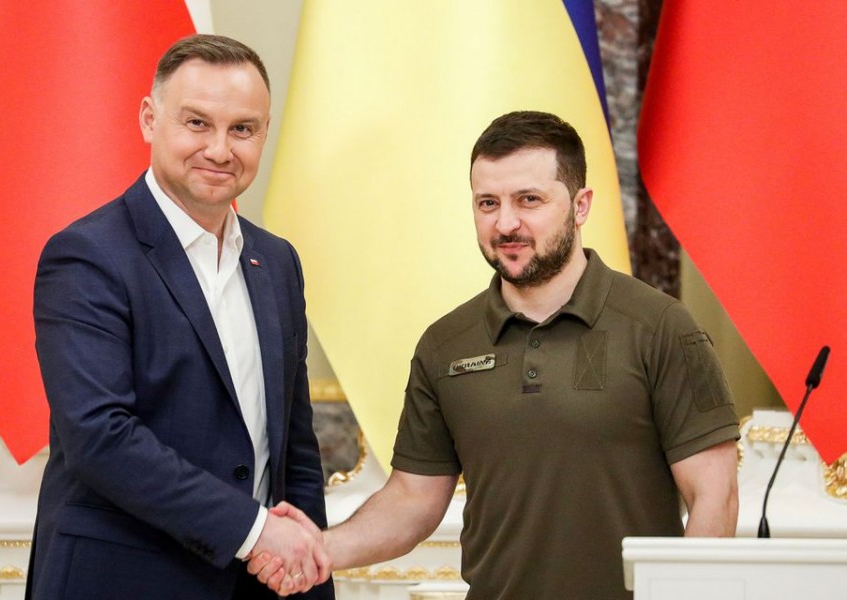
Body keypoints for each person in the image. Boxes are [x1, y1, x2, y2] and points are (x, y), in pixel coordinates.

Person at [250, 111, 741, 599]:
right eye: (488, 203)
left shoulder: (661, 327)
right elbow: (412, 501)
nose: (506, 223)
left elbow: (714, 496)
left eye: (529, 200)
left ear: (581, 206)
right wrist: (317, 549)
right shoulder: (445, 345)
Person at [27, 34, 333, 600]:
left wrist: (307, 572)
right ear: (150, 119)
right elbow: (101, 437)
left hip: (261, 586)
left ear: (264, 133)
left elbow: (295, 445)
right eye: (197, 123)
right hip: (122, 583)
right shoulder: (87, 256)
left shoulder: (277, 262)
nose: (220, 149)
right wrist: (256, 531)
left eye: (242, 129)